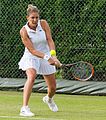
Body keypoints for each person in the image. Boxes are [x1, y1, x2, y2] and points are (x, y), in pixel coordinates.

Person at [18, 4, 61, 117]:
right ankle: (24, 108)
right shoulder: (23, 31)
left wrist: (53, 55)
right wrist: (48, 58)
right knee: (31, 76)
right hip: (31, 56)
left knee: (52, 88)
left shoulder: (43, 24)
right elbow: (32, 50)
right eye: (32, 17)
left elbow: (49, 40)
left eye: (37, 17)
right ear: (27, 18)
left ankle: (49, 99)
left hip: (46, 54)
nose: (35, 20)